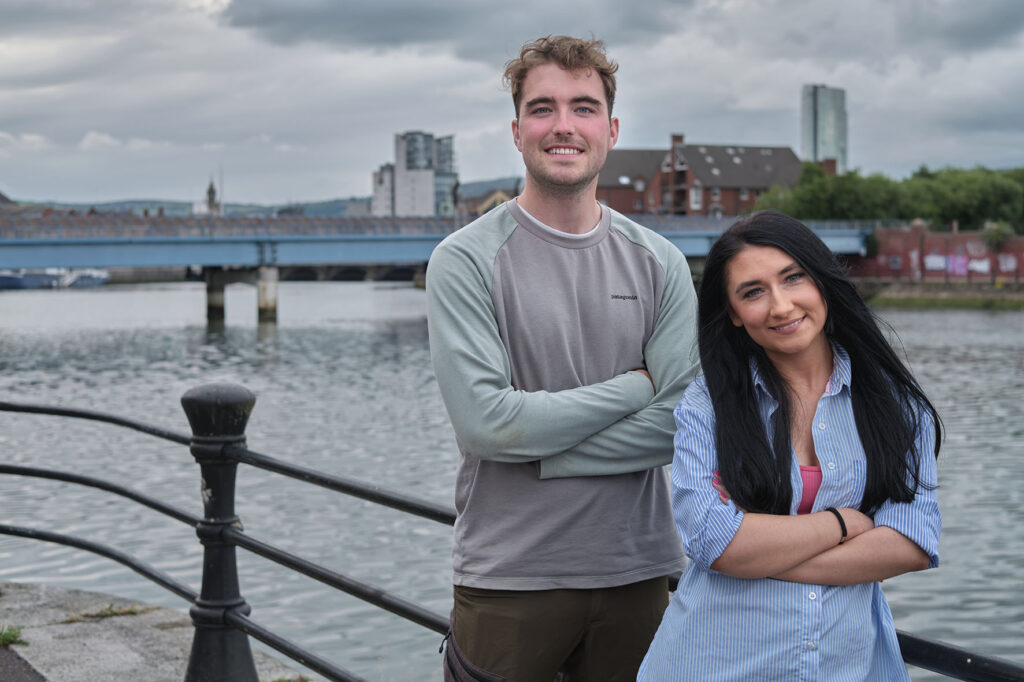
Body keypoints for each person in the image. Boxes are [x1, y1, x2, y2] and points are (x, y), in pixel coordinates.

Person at [426, 35, 700, 681]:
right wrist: (635, 388)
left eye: (582, 107)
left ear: (610, 128)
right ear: (518, 130)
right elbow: (488, 426)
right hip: (509, 575)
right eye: (544, 108)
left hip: (637, 570)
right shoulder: (465, 260)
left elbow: (682, 419)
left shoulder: (660, 261)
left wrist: (545, 453)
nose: (563, 126)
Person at [638, 211, 942, 681]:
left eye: (793, 278)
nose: (780, 306)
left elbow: (911, 543)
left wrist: (758, 558)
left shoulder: (895, 405)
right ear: (735, 314)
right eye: (753, 292)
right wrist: (843, 523)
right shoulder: (709, 405)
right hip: (710, 663)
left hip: (847, 667)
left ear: (821, 282)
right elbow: (713, 541)